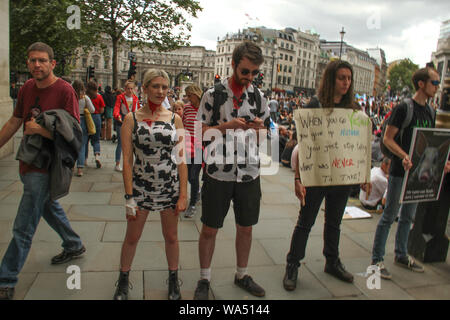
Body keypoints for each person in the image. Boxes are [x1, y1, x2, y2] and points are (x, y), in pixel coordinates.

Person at [0, 42, 85, 300]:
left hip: (46, 165)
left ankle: (6, 278)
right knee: (48, 206)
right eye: (32, 60)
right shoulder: (26, 87)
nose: (36, 64)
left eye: (42, 60)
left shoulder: (64, 91)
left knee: (24, 224)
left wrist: (42, 131)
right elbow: (16, 119)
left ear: (52, 63)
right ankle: (73, 244)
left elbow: (74, 134)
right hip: (27, 159)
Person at [283, 60, 370, 291]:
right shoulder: (315, 104)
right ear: (331, 80)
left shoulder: (354, 109)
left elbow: (359, 144)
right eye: (342, 78)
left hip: (342, 175)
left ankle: (332, 261)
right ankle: (292, 264)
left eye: (349, 78)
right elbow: (303, 144)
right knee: (306, 222)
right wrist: (297, 179)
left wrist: (363, 173)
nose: (346, 82)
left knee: (334, 223)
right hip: (317, 176)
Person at [193, 41, 270, 300]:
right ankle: (204, 279)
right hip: (218, 173)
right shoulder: (212, 95)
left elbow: (266, 137)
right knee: (210, 228)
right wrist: (227, 126)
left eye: (254, 73)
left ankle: (242, 274)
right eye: (245, 71)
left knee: (246, 227)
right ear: (233, 64)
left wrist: (260, 129)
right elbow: (198, 135)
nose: (249, 78)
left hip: (249, 173)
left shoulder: (259, 98)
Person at [113, 69, 187, 300]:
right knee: (132, 237)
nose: (160, 91)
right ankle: (123, 281)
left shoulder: (175, 119)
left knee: (171, 237)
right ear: (144, 89)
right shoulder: (131, 119)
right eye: (155, 86)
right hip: (141, 187)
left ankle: (174, 280)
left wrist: (183, 194)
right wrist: (128, 197)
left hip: (169, 187)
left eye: (164, 87)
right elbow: (127, 160)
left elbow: (182, 159)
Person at [370, 67, 450, 280]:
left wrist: (441, 164)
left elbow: (429, 143)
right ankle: (377, 259)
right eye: (434, 82)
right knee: (389, 215)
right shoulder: (404, 108)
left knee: (408, 217)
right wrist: (404, 155)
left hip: (417, 175)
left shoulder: (431, 111)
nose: (437, 86)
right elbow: (387, 138)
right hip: (399, 171)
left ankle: (401, 254)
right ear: (421, 84)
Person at [182, 85, 203, 218]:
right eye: (187, 96)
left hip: (200, 148)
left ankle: (193, 204)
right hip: (187, 147)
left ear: (197, 94)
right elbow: (183, 124)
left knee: (194, 176)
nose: (188, 98)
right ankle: (198, 191)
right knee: (188, 176)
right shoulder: (187, 108)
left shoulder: (205, 108)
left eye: (190, 95)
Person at [113, 80, 140, 172]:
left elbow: (139, 110)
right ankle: (117, 163)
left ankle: (134, 164)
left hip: (132, 120)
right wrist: (117, 116)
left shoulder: (135, 98)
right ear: (125, 89)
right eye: (128, 88)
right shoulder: (120, 97)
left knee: (133, 143)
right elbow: (116, 108)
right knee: (121, 142)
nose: (130, 90)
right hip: (122, 120)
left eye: (131, 88)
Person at [72, 80, 96, 177]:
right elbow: (92, 110)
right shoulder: (85, 98)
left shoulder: (71, 96)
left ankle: (71, 166)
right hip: (82, 120)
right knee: (82, 145)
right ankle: (80, 169)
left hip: (72, 120)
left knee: (72, 145)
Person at [85, 81, 105, 168]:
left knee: (85, 140)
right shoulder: (99, 97)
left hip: (87, 117)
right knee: (96, 139)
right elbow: (102, 110)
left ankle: (84, 159)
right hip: (96, 117)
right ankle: (97, 156)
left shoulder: (85, 97)